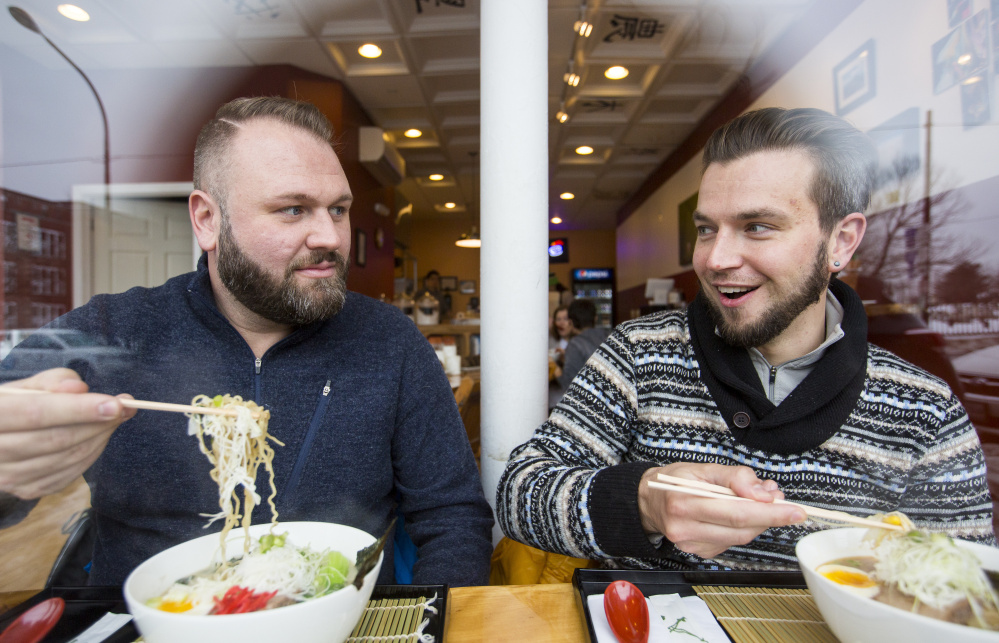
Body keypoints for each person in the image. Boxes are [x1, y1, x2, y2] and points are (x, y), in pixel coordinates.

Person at [0, 97, 494, 587]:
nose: (330, 237)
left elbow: (452, 517)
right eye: (293, 209)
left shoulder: (390, 341)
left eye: (338, 209)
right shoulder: (108, 332)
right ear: (207, 220)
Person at [496, 107, 995, 573]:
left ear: (841, 240)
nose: (715, 259)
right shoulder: (640, 354)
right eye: (707, 229)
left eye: (757, 227)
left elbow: (967, 581)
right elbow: (519, 492)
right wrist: (642, 500)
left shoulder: (923, 410)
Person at [556, 299, 611, 392]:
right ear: (595, 318)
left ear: (571, 322)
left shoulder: (575, 344)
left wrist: (556, 370)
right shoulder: (609, 336)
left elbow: (570, 387)